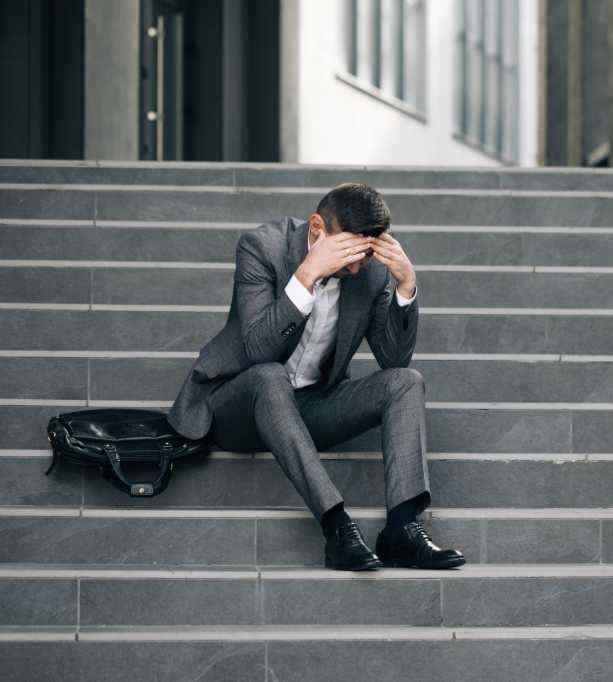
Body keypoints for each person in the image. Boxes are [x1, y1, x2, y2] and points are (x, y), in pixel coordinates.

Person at [166, 182, 464, 571]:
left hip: (311, 405)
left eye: (366, 254)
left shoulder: (369, 275)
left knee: (406, 381)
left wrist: (405, 286)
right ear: (318, 228)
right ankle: (338, 528)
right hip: (238, 404)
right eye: (348, 253)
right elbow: (258, 350)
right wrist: (306, 275)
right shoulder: (262, 248)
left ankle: (402, 530)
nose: (357, 267)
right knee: (270, 376)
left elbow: (393, 358)